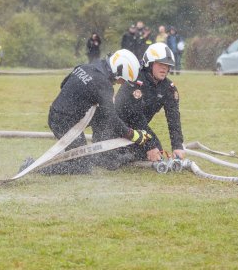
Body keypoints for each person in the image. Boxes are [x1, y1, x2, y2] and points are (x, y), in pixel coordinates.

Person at [23, 49, 151, 175]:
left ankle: (105, 155)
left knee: (103, 114)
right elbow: (112, 118)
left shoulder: (87, 66)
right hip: (64, 124)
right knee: (82, 166)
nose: (119, 83)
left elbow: (63, 84)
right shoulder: (103, 84)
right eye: (122, 80)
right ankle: (33, 167)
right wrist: (133, 135)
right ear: (119, 71)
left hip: (57, 114)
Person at [113, 42, 186, 163]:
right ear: (150, 63)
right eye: (160, 63)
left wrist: (177, 146)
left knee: (158, 151)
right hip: (115, 128)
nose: (164, 68)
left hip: (138, 130)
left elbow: (173, 117)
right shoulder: (134, 80)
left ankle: (130, 153)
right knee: (112, 160)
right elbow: (134, 117)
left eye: (167, 65)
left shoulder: (169, 88)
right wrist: (150, 145)